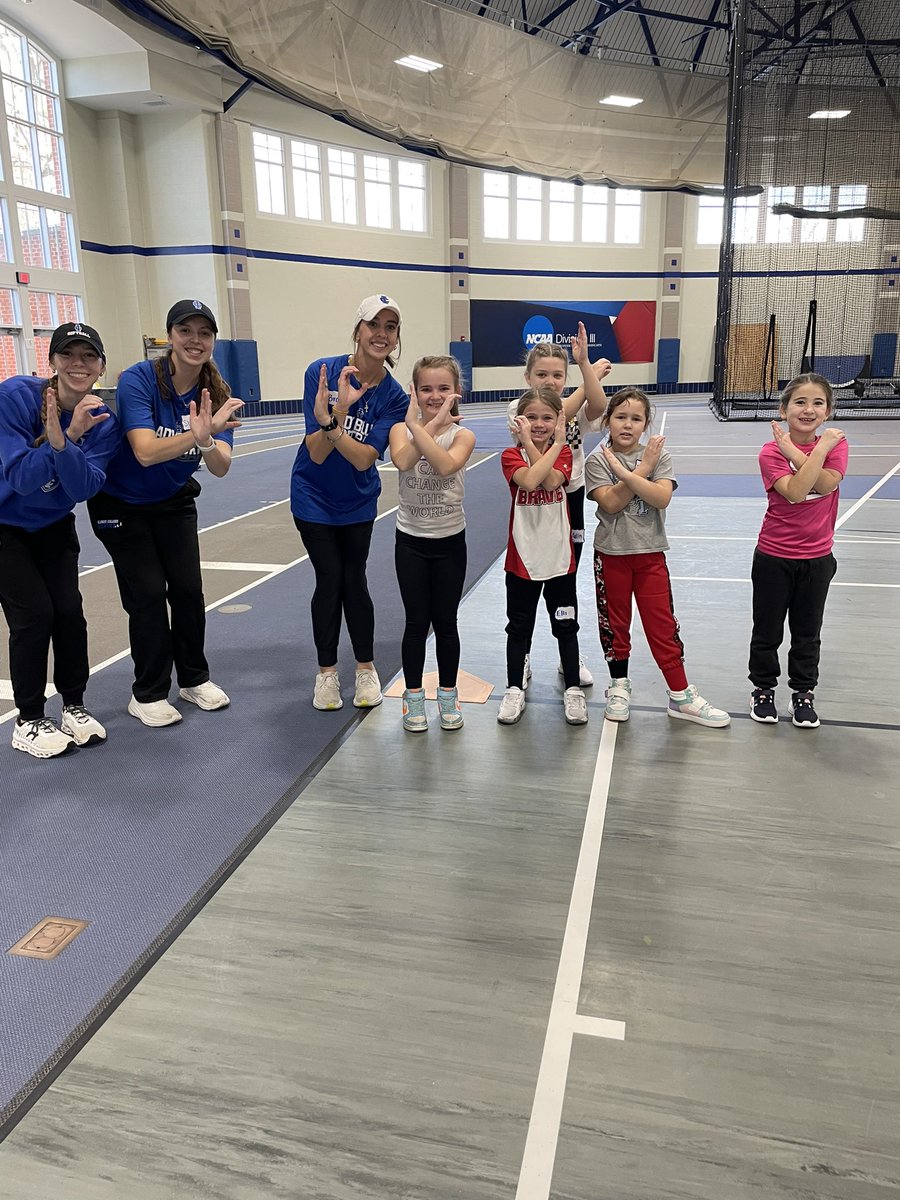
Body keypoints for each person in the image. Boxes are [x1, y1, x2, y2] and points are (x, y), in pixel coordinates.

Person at [87, 299, 243, 727]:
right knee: (149, 593)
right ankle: (148, 692)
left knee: (189, 591)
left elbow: (221, 466)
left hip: (173, 501)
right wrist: (200, 433)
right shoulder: (139, 380)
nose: (195, 341)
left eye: (204, 333)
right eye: (185, 331)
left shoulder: (217, 392)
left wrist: (207, 440)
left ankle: (194, 678)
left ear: (213, 340)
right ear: (170, 336)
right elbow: (143, 451)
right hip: (121, 502)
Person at [0, 322, 119, 757]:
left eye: (88, 356)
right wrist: (65, 439)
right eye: (68, 355)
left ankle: (74, 705)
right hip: (6, 526)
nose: (78, 364)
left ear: (101, 366)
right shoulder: (14, 398)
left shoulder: (103, 421)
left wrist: (64, 446)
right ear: (51, 361)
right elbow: (21, 479)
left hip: (53, 526)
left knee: (69, 614)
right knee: (33, 617)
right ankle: (29, 719)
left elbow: (83, 488)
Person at [585, 387, 730, 728]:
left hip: (651, 557)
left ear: (646, 424)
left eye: (636, 419)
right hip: (611, 556)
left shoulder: (658, 457)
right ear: (608, 420)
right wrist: (640, 472)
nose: (627, 424)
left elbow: (661, 497)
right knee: (615, 625)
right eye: (620, 416)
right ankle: (619, 685)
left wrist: (633, 470)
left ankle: (680, 695)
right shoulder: (596, 460)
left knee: (662, 626)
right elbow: (609, 503)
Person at [291, 294, 408, 712]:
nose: (381, 334)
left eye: (390, 327)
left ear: (396, 338)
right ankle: (326, 673)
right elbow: (317, 453)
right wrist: (340, 406)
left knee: (353, 579)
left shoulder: (394, 396)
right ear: (357, 329)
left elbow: (363, 459)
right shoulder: (320, 373)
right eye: (374, 325)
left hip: (357, 501)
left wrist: (331, 422)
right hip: (313, 498)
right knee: (330, 578)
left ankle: (365, 669)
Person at [506, 324, 610, 689]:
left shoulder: (574, 407)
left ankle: (569, 652)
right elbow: (555, 410)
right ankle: (524, 654)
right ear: (527, 376)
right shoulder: (522, 410)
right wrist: (588, 378)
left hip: (570, 499)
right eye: (541, 374)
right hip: (534, 504)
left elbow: (597, 405)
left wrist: (584, 364)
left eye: (556, 374)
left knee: (564, 577)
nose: (549, 381)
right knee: (528, 579)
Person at [748, 373, 847, 727]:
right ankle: (763, 689)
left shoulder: (839, 446)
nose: (808, 409)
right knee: (768, 629)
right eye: (800, 402)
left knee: (808, 630)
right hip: (774, 556)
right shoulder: (771, 451)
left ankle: (803, 693)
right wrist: (811, 450)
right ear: (784, 408)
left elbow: (826, 482)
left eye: (818, 403)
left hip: (818, 558)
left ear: (828, 410)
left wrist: (808, 452)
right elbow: (794, 492)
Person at [389, 355, 476, 732]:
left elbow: (443, 465)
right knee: (415, 622)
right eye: (426, 389)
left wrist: (430, 424)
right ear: (415, 391)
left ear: (457, 392)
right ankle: (412, 698)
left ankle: (447, 694)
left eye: (444, 389)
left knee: (446, 622)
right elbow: (404, 460)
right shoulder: (399, 430)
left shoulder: (463, 435)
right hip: (410, 542)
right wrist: (417, 425)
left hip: (449, 542)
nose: (435, 396)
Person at [497, 386, 588, 727]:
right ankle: (513, 688)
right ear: (519, 421)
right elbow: (533, 480)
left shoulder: (563, 455)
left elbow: (552, 480)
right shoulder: (510, 456)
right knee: (519, 627)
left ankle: (574, 689)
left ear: (558, 421)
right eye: (531, 417)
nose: (539, 423)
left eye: (547, 418)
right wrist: (550, 445)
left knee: (566, 625)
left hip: (559, 560)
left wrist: (556, 445)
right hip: (522, 559)